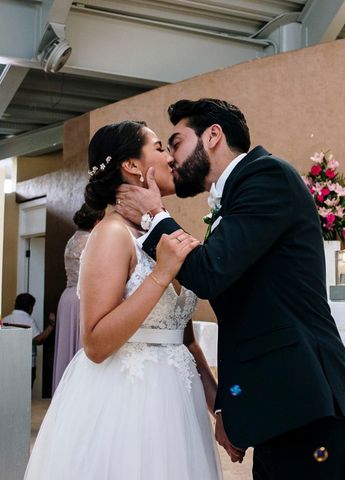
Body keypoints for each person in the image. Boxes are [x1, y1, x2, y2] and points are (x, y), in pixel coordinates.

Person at [116, 98, 345, 479]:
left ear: (213, 135)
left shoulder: (267, 176)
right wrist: (228, 408)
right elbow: (241, 319)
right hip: (282, 407)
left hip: (310, 405)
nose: (173, 158)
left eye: (177, 142)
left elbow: (209, 273)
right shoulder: (235, 198)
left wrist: (154, 215)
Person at [24, 121, 222, 479]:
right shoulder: (111, 234)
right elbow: (96, 343)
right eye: (160, 147)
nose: (170, 157)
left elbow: (187, 341)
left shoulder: (160, 230)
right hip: (128, 403)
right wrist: (161, 275)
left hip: (179, 404)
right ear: (132, 165)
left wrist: (219, 409)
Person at [51, 203, 104, 393]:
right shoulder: (92, 240)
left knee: (69, 350)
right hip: (83, 298)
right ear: (97, 220)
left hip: (67, 298)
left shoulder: (72, 239)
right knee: (84, 350)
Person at [2, 293, 55, 388]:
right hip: (27, 365)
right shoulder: (28, 321)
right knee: (25, 394)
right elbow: (38, 340)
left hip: (8, 363)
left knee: (9, 390)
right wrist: (51, 325)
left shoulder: (5, 320)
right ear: (30, 307)